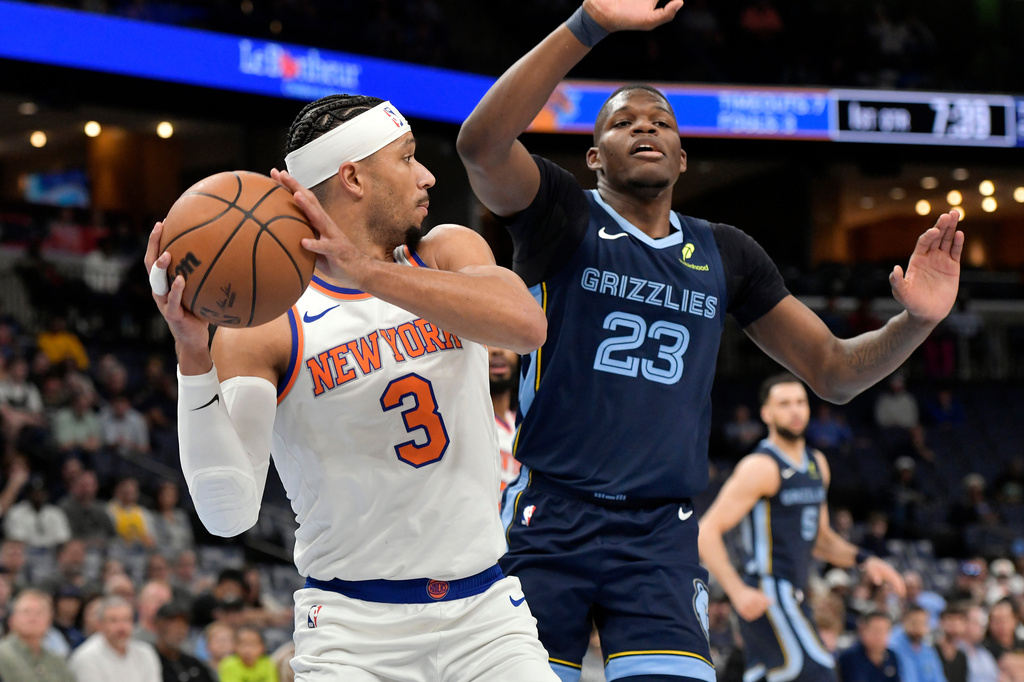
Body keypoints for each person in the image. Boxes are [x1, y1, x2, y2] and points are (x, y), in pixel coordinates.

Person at [456, 0, 963, 677]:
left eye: (660, 122)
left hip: (660, 536)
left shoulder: (726, 253)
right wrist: (590, 24)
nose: (644, 128)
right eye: (623, 122)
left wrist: (917, 322)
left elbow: (834, 372)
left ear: (683, 156)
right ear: (593, 154)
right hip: (551, 519)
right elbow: (480, 145)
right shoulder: (562, 215)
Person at [146, 93, 555, 681]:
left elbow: (526, 326)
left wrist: (364, 272)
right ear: (353, 177)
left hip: (486, 620)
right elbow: (227, 512)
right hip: (354, 633)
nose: (427, 175)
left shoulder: (444, 253)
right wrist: (192, 352)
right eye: (408, 158)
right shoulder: (268, 324)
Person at [699, 374, 905, 682]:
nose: (794, 410)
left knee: (770, 675)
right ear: (766, 414)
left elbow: (821, 540)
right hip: (766, 591)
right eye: (784, 404)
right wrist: (737, 591)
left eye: (800, 402)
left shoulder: (816, 463)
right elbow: (707, 531)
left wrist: (866, 559)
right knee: (818, 672)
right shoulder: (761, 467)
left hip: (796, 594)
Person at [68, 596, 161, 682]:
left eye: (126, 620)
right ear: (100, 625)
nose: (121, 627)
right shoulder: (86, 658)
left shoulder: (146, 653)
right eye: (113, 621)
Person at [0, 589, 76, 682]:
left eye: (39, 613)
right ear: (11, 619)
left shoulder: (57, 661)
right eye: (26, 612)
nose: (32, 618)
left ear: (49, 620)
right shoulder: (2, 655)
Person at [153, 602, 216, 682]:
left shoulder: (194, 664)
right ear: (159, 624)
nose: (180, 630)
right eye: (173, 623)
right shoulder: (148, 659)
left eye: (184, 623)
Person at [489, 344, 522, 492]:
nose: (498, 350)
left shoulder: (528, 425)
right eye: (488, 341)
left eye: (506, 343)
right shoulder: (462, 420)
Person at [837, 612, 902, 682]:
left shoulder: (891, 656)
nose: (879, 636)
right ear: (863, 630)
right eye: (875, 631)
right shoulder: (849, 658)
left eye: (884, 631)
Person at [888, 605, 947, 682]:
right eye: (914, 623)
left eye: (923, 623)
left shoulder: (927, 650)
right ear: (904, 621)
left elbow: (938, 678)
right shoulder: (892, 647)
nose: (918, 628)